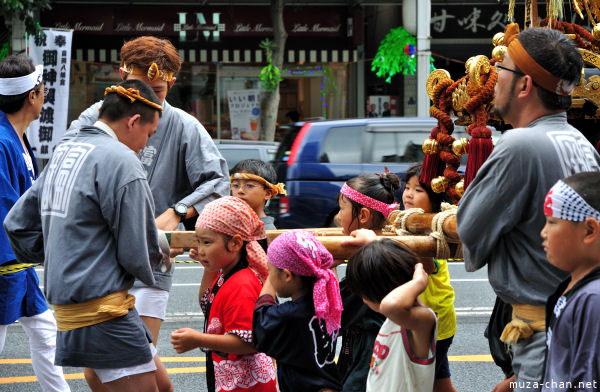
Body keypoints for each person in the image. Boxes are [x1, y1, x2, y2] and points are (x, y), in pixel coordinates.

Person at [66, 36, 229, 370]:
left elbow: (217, 183)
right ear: (122, 75)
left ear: (171, 83)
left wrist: (178, 211)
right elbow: (64, 168)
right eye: (140, 88)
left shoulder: (184, 126)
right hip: (97, 260)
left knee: (135, 362)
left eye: (158, 90)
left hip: (151, 262)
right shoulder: (91, 120)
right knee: (99, 367)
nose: (147, 99)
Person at [456, 27, 600, 392]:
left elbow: (469, 229)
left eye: (500, 69)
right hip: (566, 330)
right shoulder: (580, 143)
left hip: (541, 339)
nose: (493, 79)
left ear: (524, 85)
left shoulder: (520, 144)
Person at [4, 79, 170, 392]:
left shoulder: (65, 151)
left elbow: (17, 224)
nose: (146, 144)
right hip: (102, 309)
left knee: (163, 386)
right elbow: (139, 252)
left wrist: (59, 252)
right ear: (133, 121)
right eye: (149, 134)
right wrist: (162, 260)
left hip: (76, 305)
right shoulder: (123, 161)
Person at [0, 55, 71, 392]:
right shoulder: (1, 141)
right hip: (5, 261)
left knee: (46, 334)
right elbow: (5, 210)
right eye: (43, 90)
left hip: (19, 260)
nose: (45, 96)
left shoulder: (17, 137)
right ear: (32, 96)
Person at [170, 196, 277, 392]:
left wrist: (199, 339)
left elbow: (248, 342)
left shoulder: (242, 283)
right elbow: (206, 302)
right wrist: (208, 264)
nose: (200, 250)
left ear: (235, 243)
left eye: (207, 243)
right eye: (199, 242)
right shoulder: (226, 274)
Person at [345, 231, 437, 392]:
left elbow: (390, 304)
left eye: (363, 293)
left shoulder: (421, 322)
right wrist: (373, 243)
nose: (362, 299)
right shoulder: (398, 317)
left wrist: (419, 282)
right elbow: (390, 271)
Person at [253, 230, 343, 392]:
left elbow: (262, 318)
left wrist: (268, 280)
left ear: (287, 276)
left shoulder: (290, 315)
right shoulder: (327, 303)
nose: (269, 277)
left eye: (270, 271)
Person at [334, 171, 400, 391]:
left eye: (342, 209)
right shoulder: (390, 249)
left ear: (363, 215)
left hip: (368, 350)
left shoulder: (369, 260)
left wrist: (328, 269)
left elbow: (337, 311)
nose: (337, 216)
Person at [540, 172, 600, 391]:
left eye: (552, 222)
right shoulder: (578, 288)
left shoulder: (593, 299)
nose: (543, 232)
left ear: (589, 230)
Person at [401, 163, 457, 392]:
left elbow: (426, 263)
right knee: (439, 382)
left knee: (424, 381)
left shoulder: (432, 229)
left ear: (434, 199)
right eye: (407, 187)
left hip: (435, 322)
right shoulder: (405, 222)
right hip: (429, 320)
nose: (409, 194)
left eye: (418, 190)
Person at [229, 158, 285, 231]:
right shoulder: (229, 225)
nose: (240, 191)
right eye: (236, 185)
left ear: (268, 194)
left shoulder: (267, 232)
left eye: (249, 185)